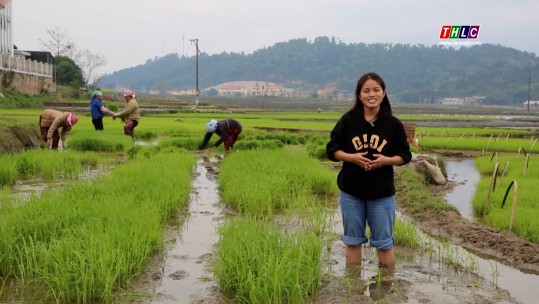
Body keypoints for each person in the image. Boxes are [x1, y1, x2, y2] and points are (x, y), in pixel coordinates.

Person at [326, 72, 411, 268]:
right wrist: (352, 158)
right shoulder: (348, 121)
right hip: (351, 193)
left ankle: (387, 288)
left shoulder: (393, 124)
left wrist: (387, 160)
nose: (371, 94)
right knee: (353, 241)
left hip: (381, 195)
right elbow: (332, 150)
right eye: (366, 91)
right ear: (359, 95)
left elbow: (405, 156)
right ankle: (354, 287)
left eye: (376, 90)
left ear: (383, 93)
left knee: (384, 243)